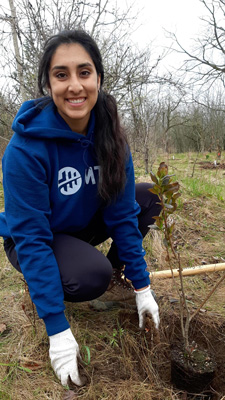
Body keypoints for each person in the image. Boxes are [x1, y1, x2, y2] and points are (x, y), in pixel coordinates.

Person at [0, 29, 161, 387]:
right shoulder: (26, 149)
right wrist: (57, 327)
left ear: (98, 78)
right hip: (36, 237)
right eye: (61, 75)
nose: (74, 85)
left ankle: (115, 273)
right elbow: (31, 237)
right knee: (91, 276)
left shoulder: (111, 135)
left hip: (82, 222)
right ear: (48, 83)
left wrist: (142, 285)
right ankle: (69, 276)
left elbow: (121, 214)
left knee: (150, 197)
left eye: (84, 72)